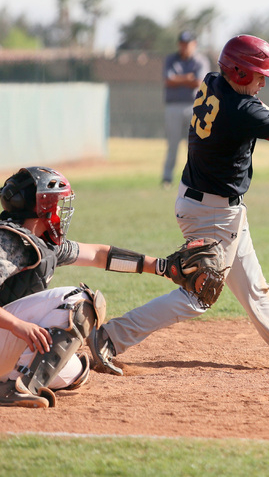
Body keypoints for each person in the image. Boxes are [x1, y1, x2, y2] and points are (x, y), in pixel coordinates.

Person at [90, 34, 269, 374]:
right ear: (238, 72)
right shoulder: (241, 109)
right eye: (258, 74)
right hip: (212, 214)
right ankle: (109, 338)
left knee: (253, 289)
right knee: (198, 296)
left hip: (216, 207)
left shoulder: (216, 83)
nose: (264, 81)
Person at [0, 166, 184, 408]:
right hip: (8, 331)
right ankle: (15, 389)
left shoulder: (43, 242)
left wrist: (163, 267)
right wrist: (19, 326)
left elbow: (99, 255)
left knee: (74, 370)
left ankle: (15, 378)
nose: (59, 209)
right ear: (40, 206)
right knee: (78, 300)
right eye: (54, 202)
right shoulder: (9, 241)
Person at [161, 30, 211, 188]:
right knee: (173, 144)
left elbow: (198, 82)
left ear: (194, 44)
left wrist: (179, 79)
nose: (185, 47)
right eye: (182, 43)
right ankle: (167, 179)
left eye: (188, 44)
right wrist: (187, 78)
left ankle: (196, 179)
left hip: (194, 107)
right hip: (173, 106)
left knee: (195, 145)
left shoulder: (200, 60)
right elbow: (168, 81)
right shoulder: (171, 59)